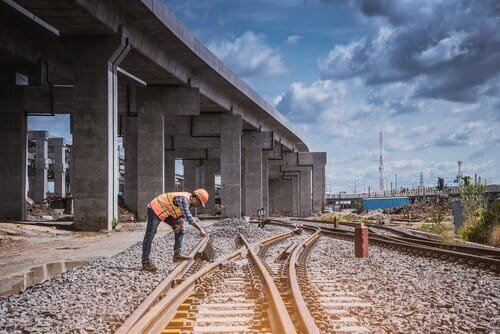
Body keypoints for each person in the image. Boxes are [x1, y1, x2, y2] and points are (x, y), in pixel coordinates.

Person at [141, 189, 209, 272]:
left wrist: (179, 224)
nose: (198, 205)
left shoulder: (189, 201)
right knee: (150, 234)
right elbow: (188, 217)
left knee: (180, 229)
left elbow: (181, 214)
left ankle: (177, 255)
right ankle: (145, 262)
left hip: (166, 211)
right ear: (196, 198)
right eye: (199, 203)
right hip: (155, 208)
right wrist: (200, 229)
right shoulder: (184, 199)